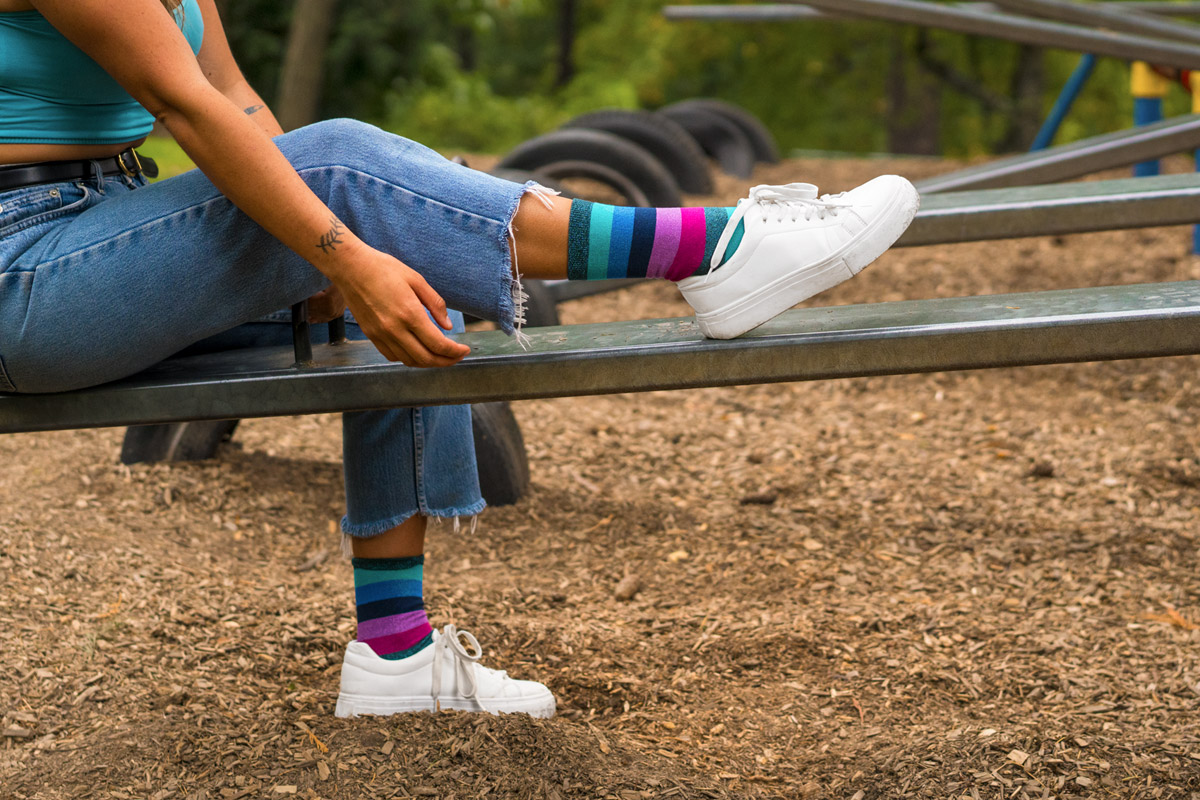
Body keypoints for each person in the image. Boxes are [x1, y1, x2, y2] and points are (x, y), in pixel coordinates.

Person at [0, 0, 920, 719]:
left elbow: (240, 102)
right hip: (28, 267)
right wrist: (337, 250)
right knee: (348, 182)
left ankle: (394, 657)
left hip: (111, 232)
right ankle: (710, 249)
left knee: (405, 298)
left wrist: (340, 260)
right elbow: (186, 107)